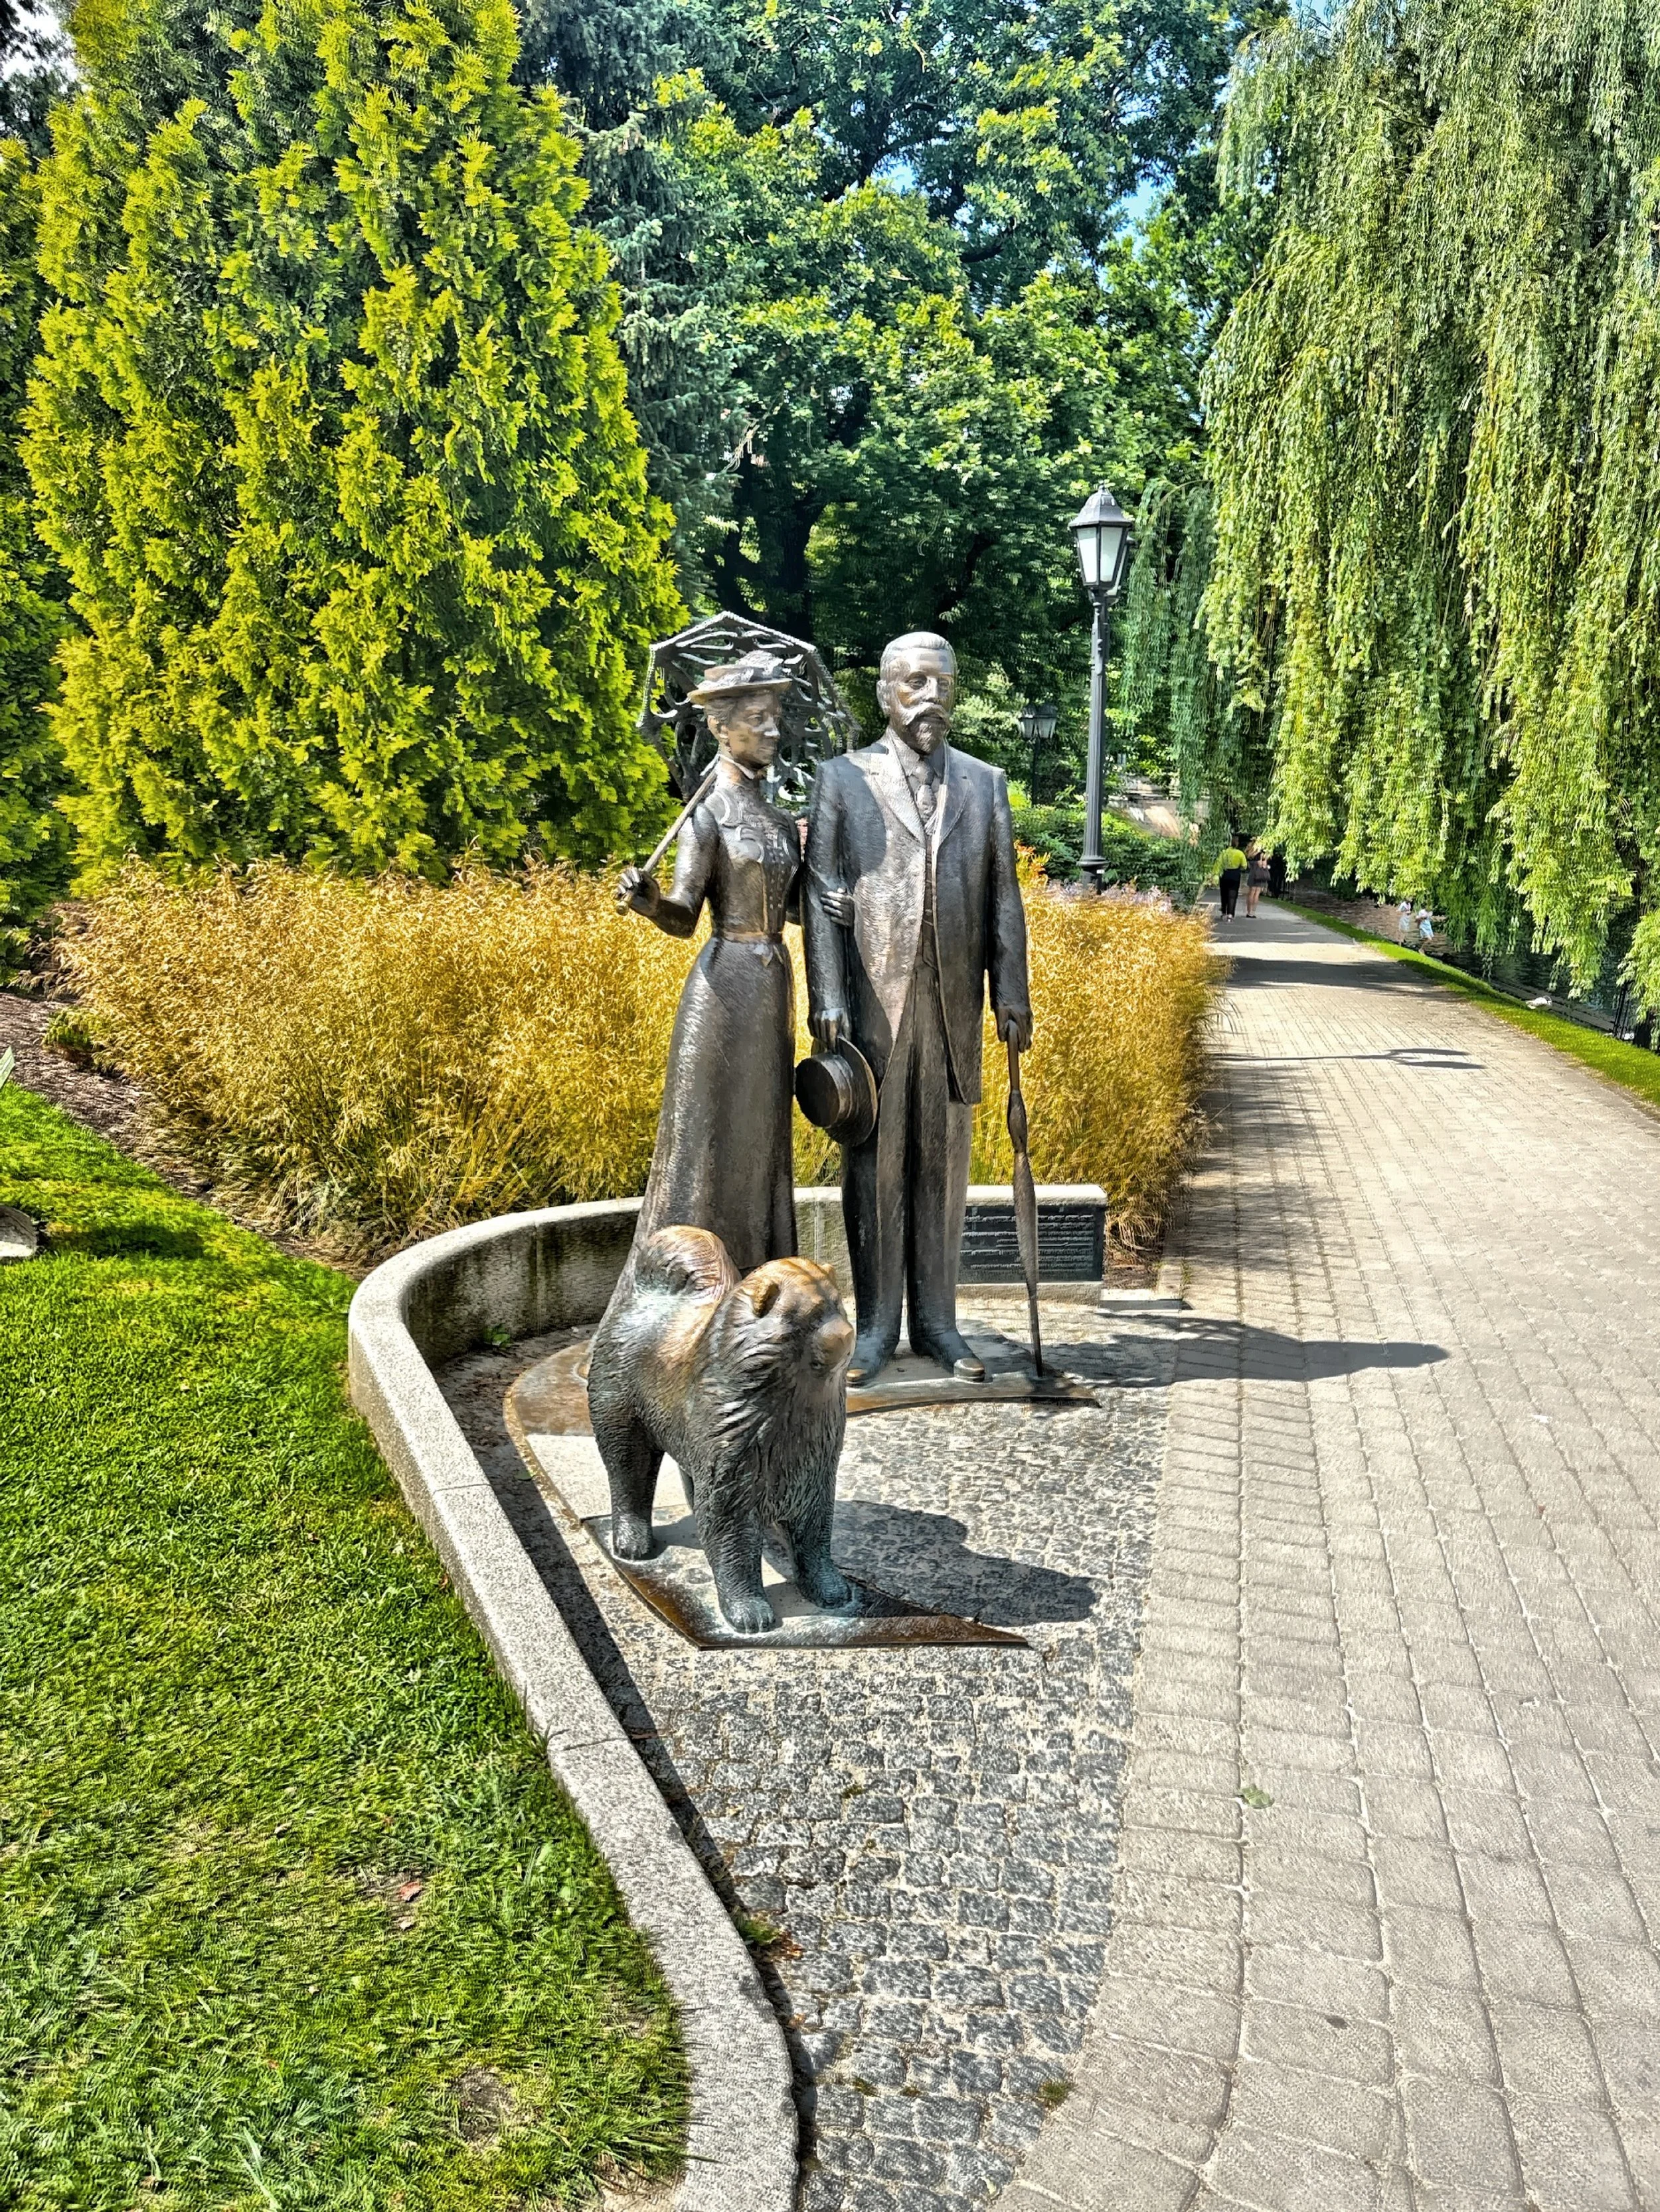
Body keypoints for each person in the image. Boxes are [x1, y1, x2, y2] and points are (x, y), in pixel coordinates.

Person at [805, 631, 1031, 1385]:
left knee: (943, 1169)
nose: (929, 697)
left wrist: (1012, 994)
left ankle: (938, 1324)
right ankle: (874, 1330)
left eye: (941, 683)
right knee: (873, 1170)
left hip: (953, 1010)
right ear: (883, 692)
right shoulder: (842, 780)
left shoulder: (983, 782)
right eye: (913, 683)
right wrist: (828, 998)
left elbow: (1004, 894)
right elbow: (820, 895)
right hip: (872, 1010)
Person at [614, 651, 802, 1279]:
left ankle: (756, 1278)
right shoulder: (708, 815)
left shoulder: (778, 819)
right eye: (758, 718)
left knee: (760, 1135)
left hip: (775, 981)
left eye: (776, 717)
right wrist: (648, 900)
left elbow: (798, 906)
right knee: (709, 1137)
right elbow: (683, 915)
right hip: (724, 987)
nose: (773, 730)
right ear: (722, 728)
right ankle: (688, 1281)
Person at [1215, 838, 1247, 920]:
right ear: (1237, 844)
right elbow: (1244, 866)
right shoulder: (1240, 854)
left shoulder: (1224, 853)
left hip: (1225, 874)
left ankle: (1223, 913)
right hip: (1235, 875)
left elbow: (1219, 864)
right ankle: (1230, 914)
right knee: (1233, 895)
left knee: (1224, 894)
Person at [1245, 842, 1270, 919]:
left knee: (1251, 893)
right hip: (1261, 873)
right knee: (1257, 893)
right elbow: (1266, 862)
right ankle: (1253, 911)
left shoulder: (1253, 852)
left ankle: (1249, 912)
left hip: (1254, 873)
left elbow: (1248, 857)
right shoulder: (1264, 853)